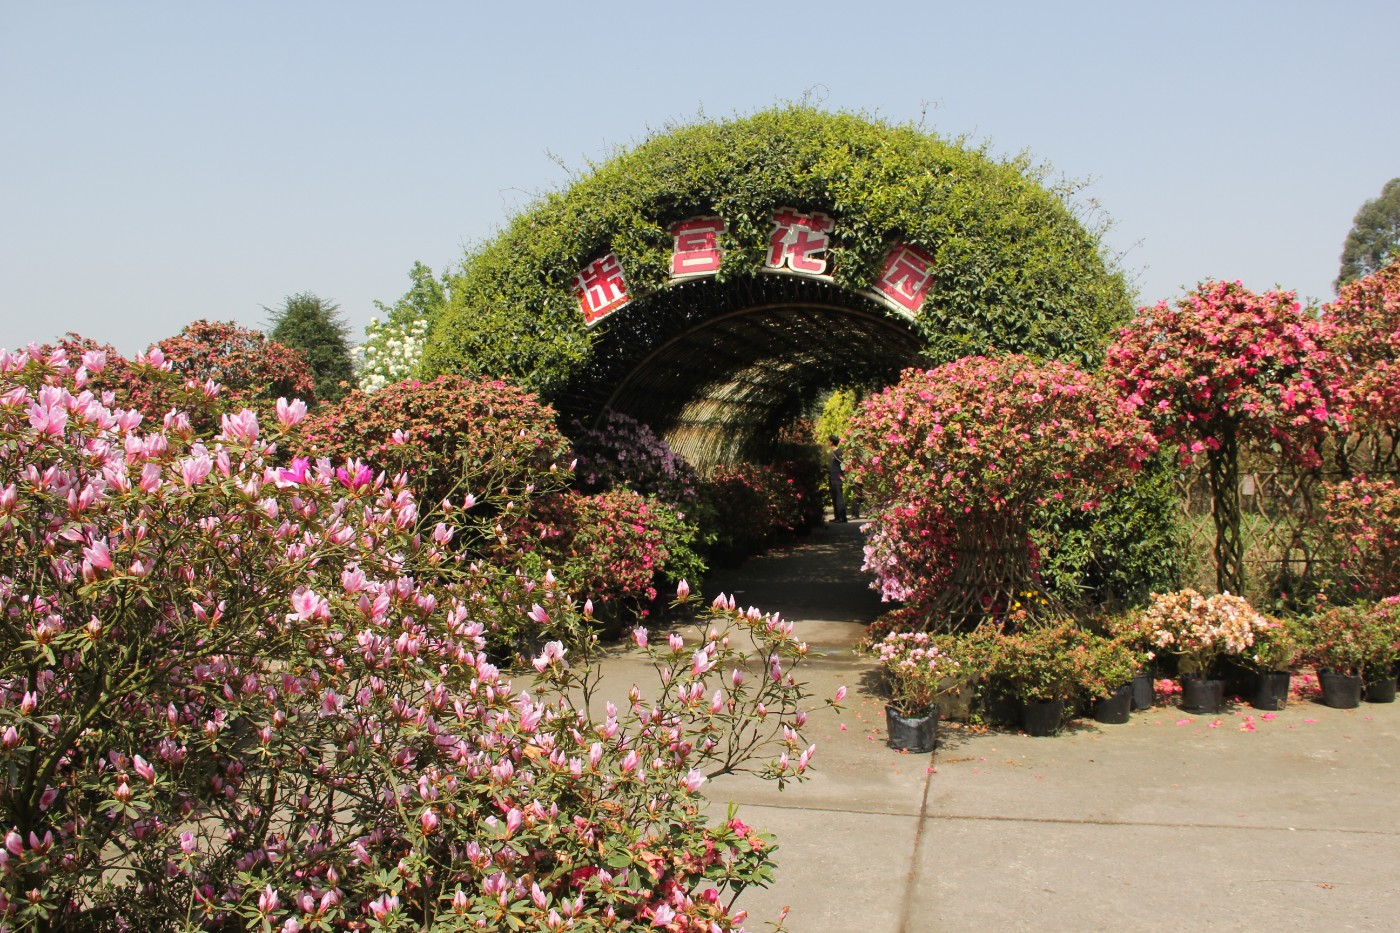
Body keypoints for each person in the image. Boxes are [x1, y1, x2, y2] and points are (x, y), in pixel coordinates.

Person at [828, 436, 846, 522]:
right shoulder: (832, 452)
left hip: (837, 478)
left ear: (831, 442)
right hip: (832, 477)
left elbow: (843, 464)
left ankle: (842, 517)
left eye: (829, 441)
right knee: (834, 497)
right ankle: (837, 517)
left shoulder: (838, 452)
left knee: (839, 497)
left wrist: (842, 475)